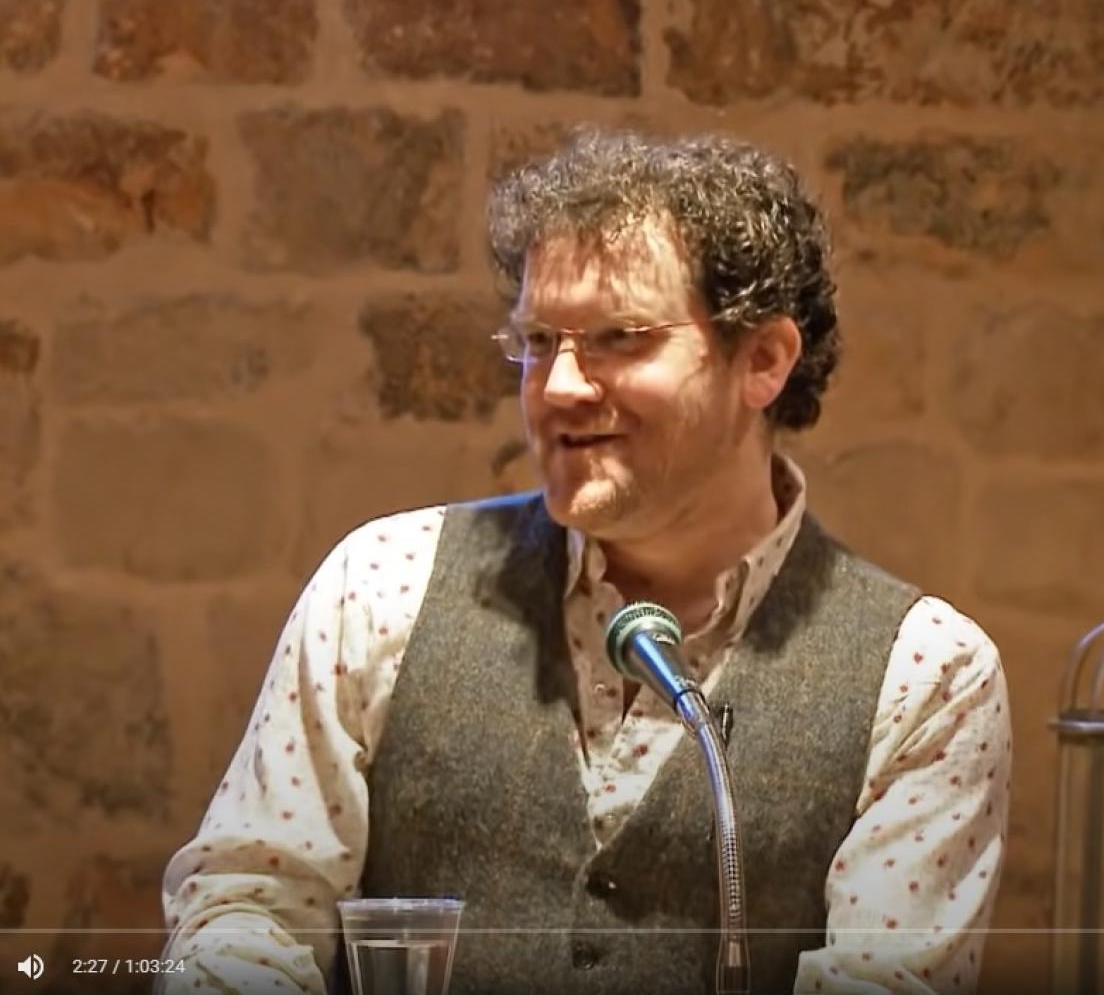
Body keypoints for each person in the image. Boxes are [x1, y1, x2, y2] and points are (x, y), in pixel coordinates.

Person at [159, 129, 1011, 995]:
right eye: (538, 340)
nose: (559, 386)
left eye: (619, 337)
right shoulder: (381, 584)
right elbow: (248, 903)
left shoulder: (926, 674)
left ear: (762, 359)